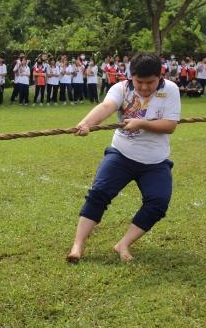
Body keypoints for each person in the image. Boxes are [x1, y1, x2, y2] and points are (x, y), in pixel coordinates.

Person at [67, 53, 181, 263]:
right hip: (121, 154)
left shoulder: (171, 90)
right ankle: (78, 245)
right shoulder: (120, 89)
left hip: (155, 161)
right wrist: (86, 123)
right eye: (140, 82)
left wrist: (142, 123)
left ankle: (124, 244)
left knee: (158, 203)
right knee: (99, 193)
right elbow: (106, 107)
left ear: (160, 77)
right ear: (131, 77)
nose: (145, 87)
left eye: (150, 82)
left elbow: (170, 125)